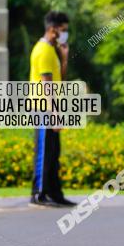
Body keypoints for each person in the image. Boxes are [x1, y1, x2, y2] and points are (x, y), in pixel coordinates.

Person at [29, 11, 76, 208]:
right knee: (43, 153)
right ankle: (38, 194)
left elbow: (59, 80)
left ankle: (55, 193)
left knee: (53, 154)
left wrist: (64, 58)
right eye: (63, 30)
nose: (65, 34)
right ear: (52, 29)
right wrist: (55, 114)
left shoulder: (53, 51)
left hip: (50, 108)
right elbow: (47, 86)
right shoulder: (43, 51)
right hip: (43, 109)